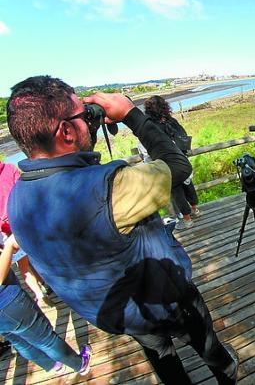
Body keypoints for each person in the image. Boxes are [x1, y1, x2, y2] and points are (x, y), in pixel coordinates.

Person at [6, 76, 238, 384]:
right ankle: (227, 374)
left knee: (163, 357)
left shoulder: (18, 198)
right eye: (81, 115)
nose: (89, 121)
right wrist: (131, 114)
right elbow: (179, 167)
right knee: (205, 342)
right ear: (65, 131)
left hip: (117, 311)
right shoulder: (112, 187)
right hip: (167, 299)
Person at [0, 234, 91, 375]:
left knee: (19, 342)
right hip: (9, 303)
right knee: (46, 339)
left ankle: (53, 365)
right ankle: (80, 365)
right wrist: (9, 247)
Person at [144, 95, 200, 231]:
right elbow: (183, 135)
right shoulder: (172, 121)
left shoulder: (152, 126)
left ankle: (187, 220)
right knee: (188, 184)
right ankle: (195, 210)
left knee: (176, 191)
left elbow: (149, 146)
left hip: (167, 162)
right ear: (165, 106)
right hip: (182, 159)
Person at [0, 161, 49, 305]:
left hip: (8, 231)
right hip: (24, 219)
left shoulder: (9, 168)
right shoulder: (9, 168)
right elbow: (22, 189)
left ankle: (40, 292)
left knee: (24, 266)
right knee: (40, 253)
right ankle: (48, 282)